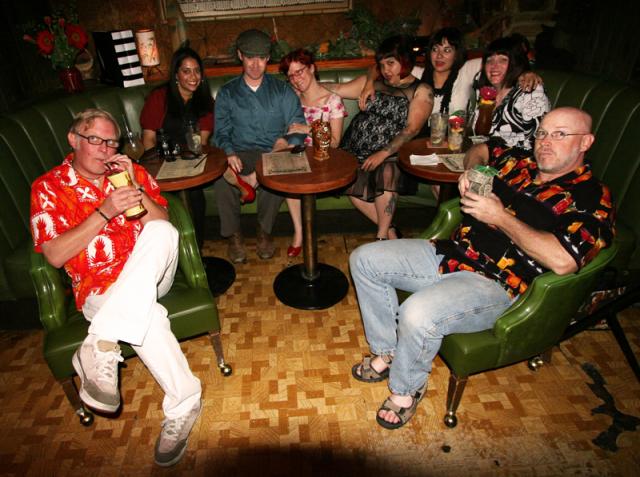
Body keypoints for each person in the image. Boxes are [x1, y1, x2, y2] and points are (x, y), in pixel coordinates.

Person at [349, 107, 615, 429]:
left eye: (560, 134)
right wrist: (471, 170)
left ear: (586, 142)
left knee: (416, 314)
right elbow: (483, 147)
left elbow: (563, 261)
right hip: (454, 252)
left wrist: (500, 217)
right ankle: (388, 351)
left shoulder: (591, 197)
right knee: (364, 259)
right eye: (542, 133)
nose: (545, 142)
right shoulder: (520, 161)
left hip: (498, 282)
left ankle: (406, 389)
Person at [29, 109, 202, 467]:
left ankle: (99, 344)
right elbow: (55, 255)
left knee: (162, 231)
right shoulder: (47, 188)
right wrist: (105, 211)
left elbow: (163, 222)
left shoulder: (129, 171)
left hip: (153, 271)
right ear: (73, 139)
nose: (106, 149)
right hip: (99, 288)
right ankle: (185, 403)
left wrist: (135, 189)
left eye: (112, 142)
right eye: (96, 140)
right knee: (148, 316)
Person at [323, 35, 434, 240]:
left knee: (387, 175)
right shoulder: (374, 82)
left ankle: (382, 237)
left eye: (391, 63)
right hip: (356, 148)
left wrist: (382, 154)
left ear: (405, 60)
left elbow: (412, 129)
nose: (385, 70)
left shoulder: (421, 90)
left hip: (392, 151)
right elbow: (337, 88)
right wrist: (305, 84)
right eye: (382, 65)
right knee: (350, 184)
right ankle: (391, 231)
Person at [214, 29, 306, 263]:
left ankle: (264, 232)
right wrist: (229, 152)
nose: (255, 65)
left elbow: (298, 126)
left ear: (268, 58)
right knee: (221, 176)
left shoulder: (282, 91)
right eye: (249, 57)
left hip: (272, 153)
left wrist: (286, 141)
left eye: (261, 58)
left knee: (277, 172)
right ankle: (234, 236)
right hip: (239, 152)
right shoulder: (227, 93)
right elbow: (221, 132)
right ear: (240, 55)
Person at [359, 28, 541, 123]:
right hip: (420, 142)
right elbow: (378, 66)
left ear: (457, 53)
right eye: (435, 49)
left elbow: (500, 63)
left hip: (455, 141)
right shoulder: (417, 74)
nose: (439, 56)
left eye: (447, 50)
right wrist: (369, 83)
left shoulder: (466, 70)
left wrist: (527, 73)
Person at [140, 45, 214, 246]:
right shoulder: (160, 98)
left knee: (195, 195)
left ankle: (196, 248)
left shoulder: (205, 101)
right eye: (186, 71)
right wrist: (155, 170)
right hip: (161, 160)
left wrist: (190, 167)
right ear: (176, 75)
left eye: (197, 71)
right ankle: (174, 247)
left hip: (191, 161)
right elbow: (148, 139)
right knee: (170, 200)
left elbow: (202, 142)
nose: (193, 77)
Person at [278, 48, 347, 257]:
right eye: (291, 75)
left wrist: (306, 128)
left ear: (312, 68)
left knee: (293, 171)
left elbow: (334, 143)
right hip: (297, 155)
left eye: (299, 72)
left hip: (323, 158)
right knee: (288, 169)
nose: (296, 79)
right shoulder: (292, 99)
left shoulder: (332, 101)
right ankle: (299, 232)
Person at [472, 35, 550, 150]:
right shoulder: (483, 86)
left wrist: (491, 150)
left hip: (516, 157)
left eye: (503, 60)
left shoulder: (530, 91)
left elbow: (538, 141)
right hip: (480, 151)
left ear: (515, 63)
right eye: (489, 60)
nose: (494, 66)